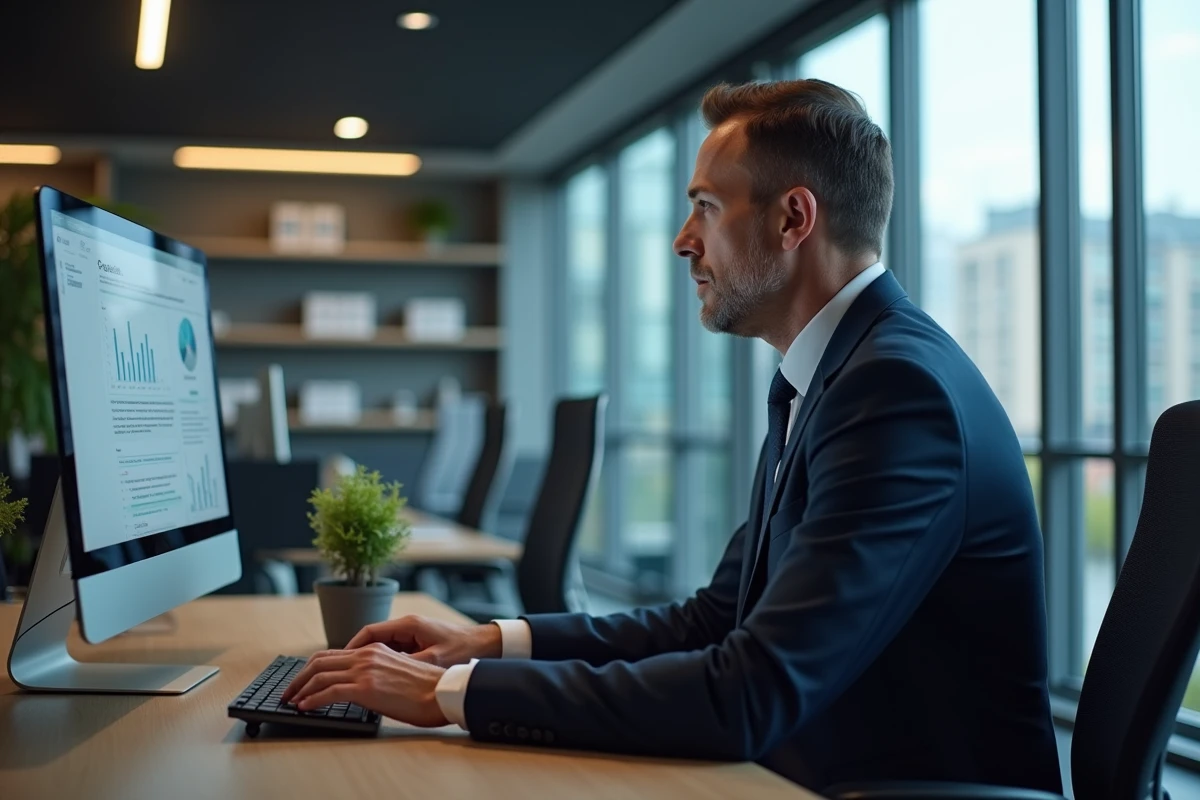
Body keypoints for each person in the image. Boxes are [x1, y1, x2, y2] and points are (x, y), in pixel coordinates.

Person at [283, 79, 1062, 794]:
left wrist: (447, 693)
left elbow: (750, 692)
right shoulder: (831, 376)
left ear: (793, 219)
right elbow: (716, 619)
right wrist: (486, 645)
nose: (683, 240)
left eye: (706, 208)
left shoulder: (894, 392)